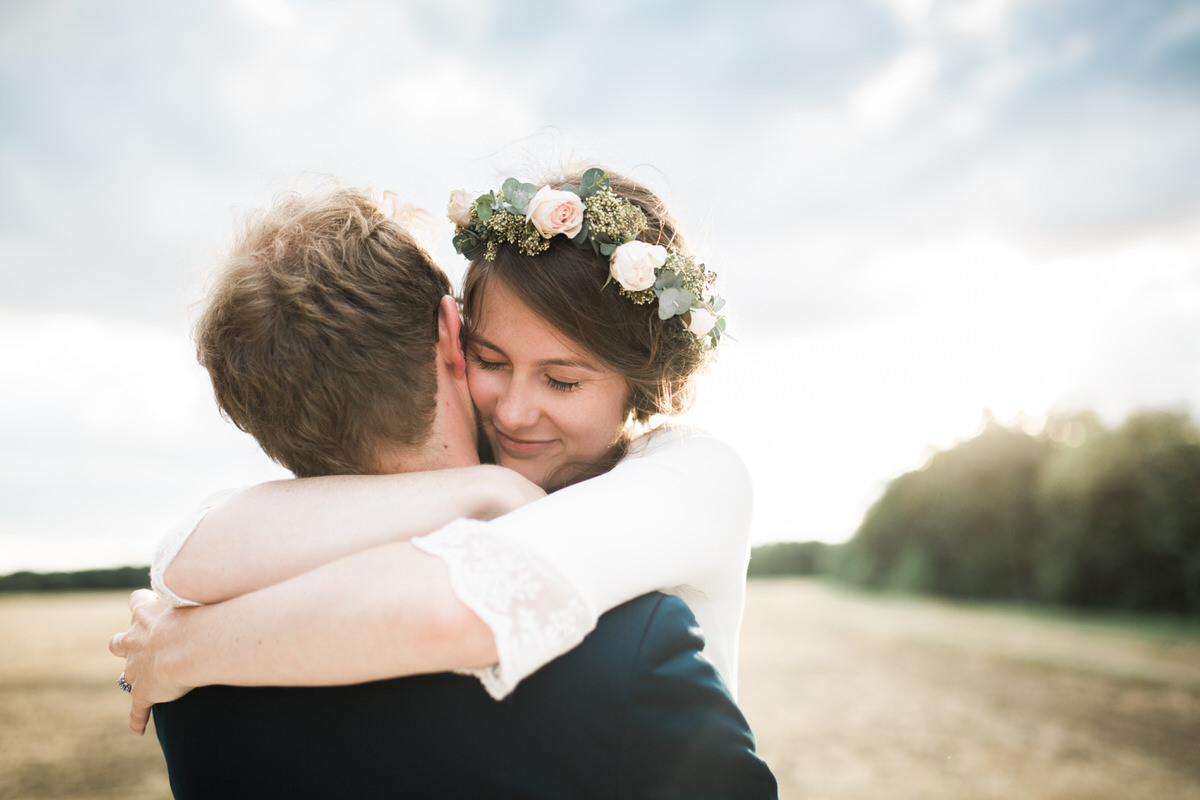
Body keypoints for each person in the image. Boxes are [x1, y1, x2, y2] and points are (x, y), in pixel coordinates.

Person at [112, 183, 776, 797]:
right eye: (492, 362)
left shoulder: (692, 476)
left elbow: (461, 607)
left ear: (639, 382)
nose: (514, 413)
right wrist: (484, 488)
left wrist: (177, 648)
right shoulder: (503, 485)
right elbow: (186, 556)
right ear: (456, 333)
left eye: (564, 381)